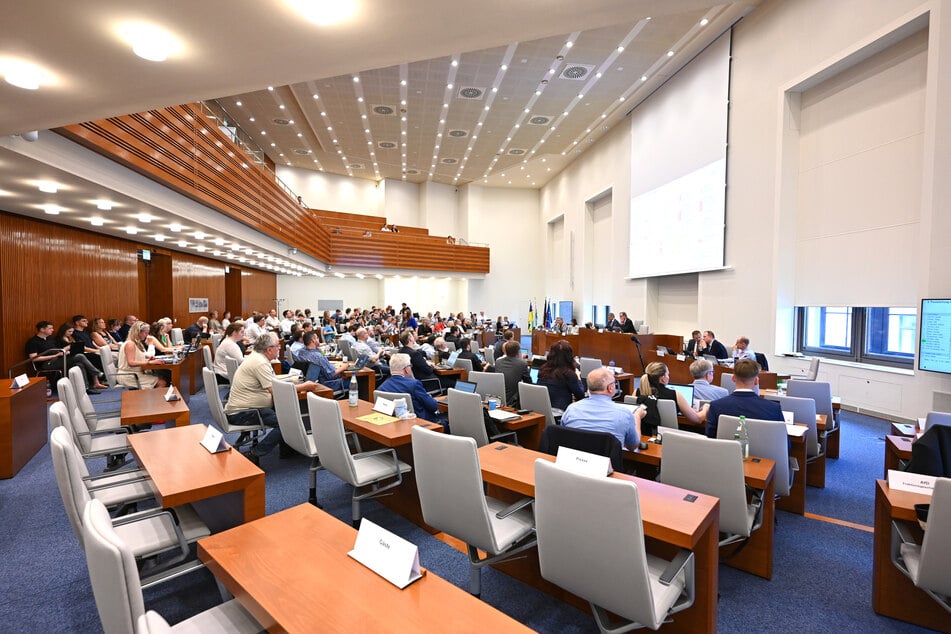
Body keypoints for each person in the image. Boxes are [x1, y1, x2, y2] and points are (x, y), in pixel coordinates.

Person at [225, 333, 324, 465]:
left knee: (287, 414)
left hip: (248, 407)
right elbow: (275, 390)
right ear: (269, 349)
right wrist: (304, 386)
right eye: (277, 346)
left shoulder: (257, 358)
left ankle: (288, 449)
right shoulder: (260, 363)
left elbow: (271, 383)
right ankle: (255, 453)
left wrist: (288, 381)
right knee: (287, 423)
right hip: (244, 412)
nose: (279, 348)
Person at [561, 368, 646, 449]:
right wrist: (637, 417)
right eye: (614, 383)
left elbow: (563, 436)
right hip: (605, 463)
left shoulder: (571, 409)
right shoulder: (624, 414)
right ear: (610, 388)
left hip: (573, 461)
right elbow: (633, 446)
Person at [705, 358, 784, 439]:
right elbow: (784, 444)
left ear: (733, 378)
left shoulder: (716, 406)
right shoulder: (774, 408)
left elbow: (711, 438)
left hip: (727, 451)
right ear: (756, 381)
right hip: (761, 452)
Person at [635, 361, 707, 437]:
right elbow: (697, 419)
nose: (669, 377)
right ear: (663, 378)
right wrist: (705, 408)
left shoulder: (637, 392)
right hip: (669, 437)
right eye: (668, 374)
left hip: (642, 434)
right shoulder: (675, 395)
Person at [377, 353, 444, 425]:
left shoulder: (381, 387)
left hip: (397, 425)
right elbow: (433, 406)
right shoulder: (414, 384)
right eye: (410, 366)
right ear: (406, 369)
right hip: (424, 424)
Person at [117, 321, 168, 389]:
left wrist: (148, 360)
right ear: (138, 332)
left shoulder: (137, 343)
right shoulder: (130, 344)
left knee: (161, 378)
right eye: (145, 333)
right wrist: (149, 362)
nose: (146, 335)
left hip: (134, 373)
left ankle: (149, 397)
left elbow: (137, 359)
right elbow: (131, 362)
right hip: (129, 375)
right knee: (162, 382)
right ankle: (151, 398)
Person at [536, 339, 585, 411]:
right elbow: (580, 395)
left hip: (542, 411)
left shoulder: (542, 370)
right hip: (561, 413)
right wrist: (578, 378)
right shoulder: (568, 374)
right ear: (569, 356)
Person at [494, 340, 531, 408]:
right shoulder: (522, 364)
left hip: (499, 398)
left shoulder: (498, 362)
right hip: (512, 402)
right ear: (518, 352)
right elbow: (528, 383)